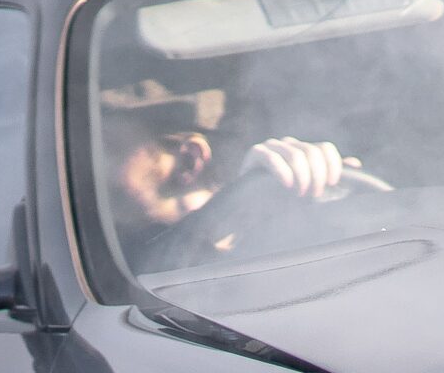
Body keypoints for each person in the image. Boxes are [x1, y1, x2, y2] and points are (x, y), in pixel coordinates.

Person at [99, 79, 359, 263]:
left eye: (107, 147)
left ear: (190, 159)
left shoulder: (303, 223)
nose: (83, 166)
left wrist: (334, 193)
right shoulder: (102, 267)